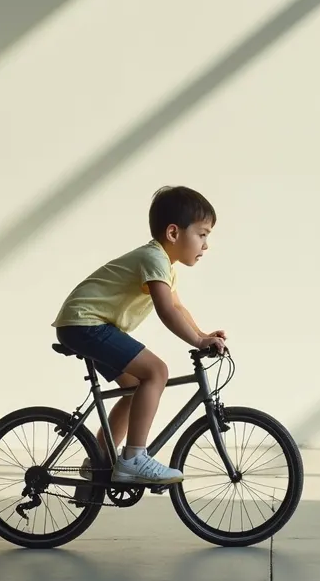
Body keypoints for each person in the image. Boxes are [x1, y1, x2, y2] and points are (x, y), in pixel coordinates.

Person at [52, 185, 227, 484]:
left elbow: (178, 307)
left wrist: (202, 333)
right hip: (85, 323)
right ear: (173, 233)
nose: (206, 245)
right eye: (202, 234)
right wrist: (198, 342)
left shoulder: (164, 265)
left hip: (85, 324)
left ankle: (99, 460)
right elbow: (166, 310)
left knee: (135, 387)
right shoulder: (154, 258)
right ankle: (133, 458)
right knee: (157, 371)